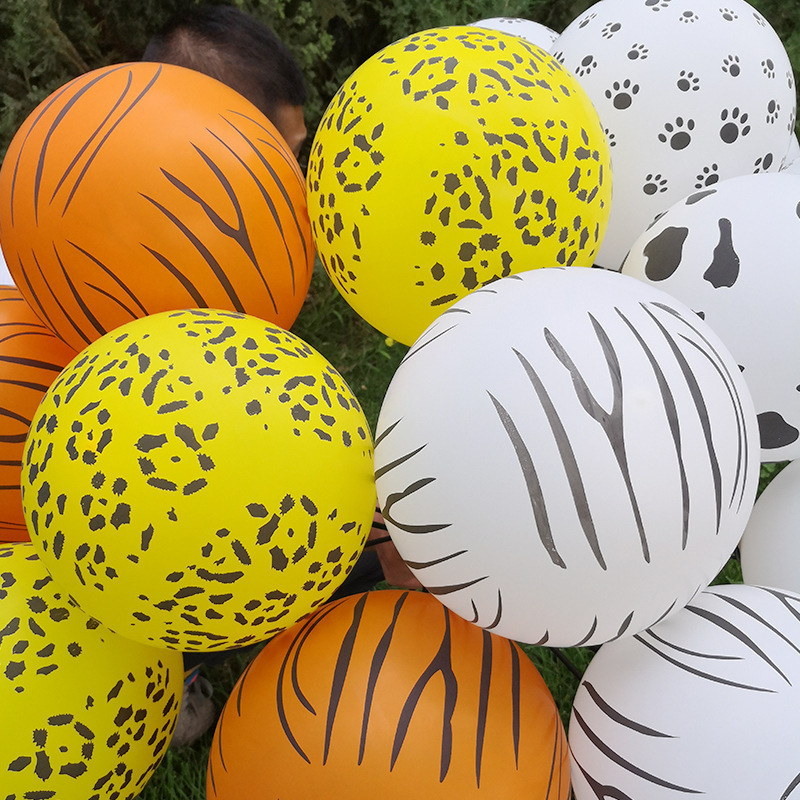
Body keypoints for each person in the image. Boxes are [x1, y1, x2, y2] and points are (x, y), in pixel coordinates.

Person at [142, 4, 421, 747]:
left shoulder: (166, 224)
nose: (301, 188)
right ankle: (171, 661)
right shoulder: (118, 279)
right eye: (281, 161)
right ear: (210, 147)